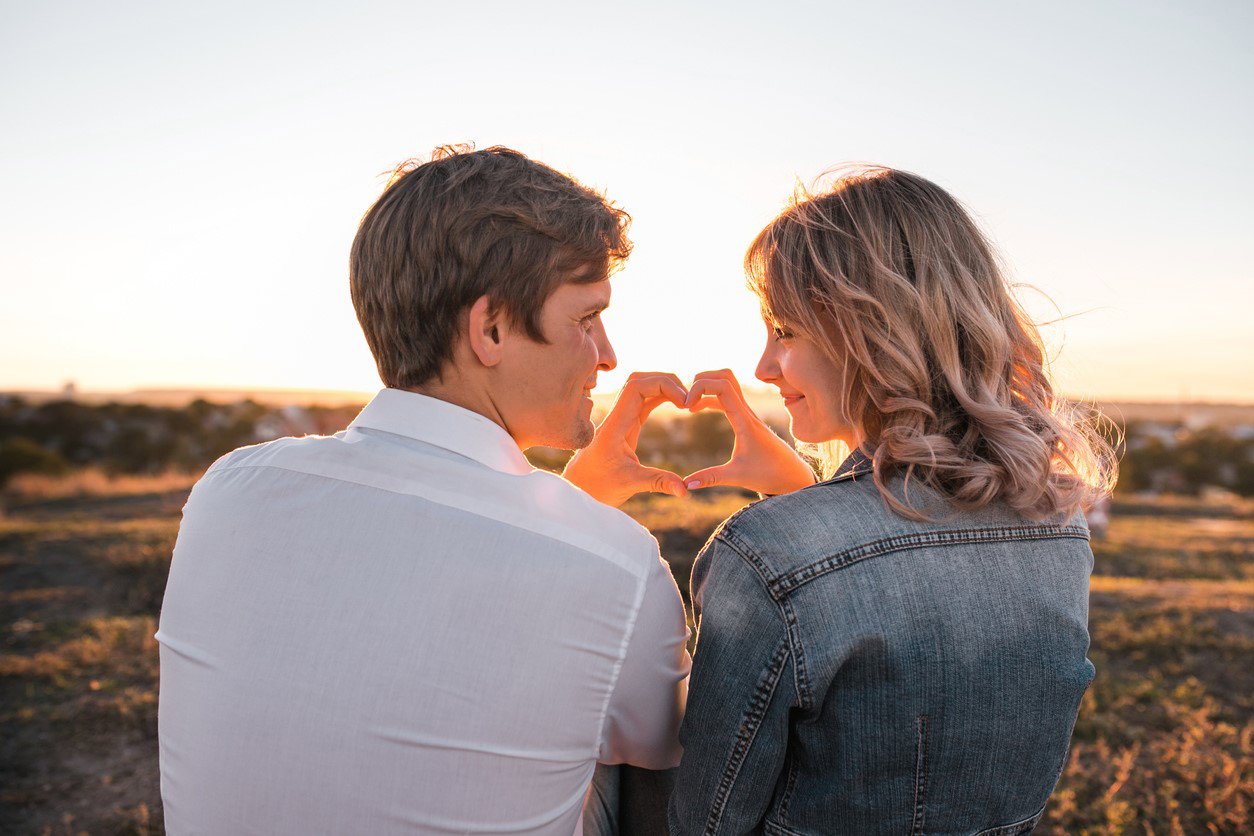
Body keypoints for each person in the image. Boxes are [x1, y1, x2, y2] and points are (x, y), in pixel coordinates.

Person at [155, 146, 691, 835]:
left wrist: (569, 507)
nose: (607, 355)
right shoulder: (615, 563)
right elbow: (673, 751)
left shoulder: (229, 490)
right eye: (586, 320)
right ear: (491, 328)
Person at [662, 166, 1117, 834]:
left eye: (784, 330)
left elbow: (706, 820)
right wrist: (804, 497)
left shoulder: (767, 554)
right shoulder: (1057, 525)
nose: (763, 366)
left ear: (867, 332)